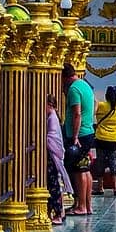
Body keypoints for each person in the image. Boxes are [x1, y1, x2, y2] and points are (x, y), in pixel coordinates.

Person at [62, 63, 96, 216]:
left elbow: (77, 114)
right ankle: (87, 205)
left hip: (80, 135)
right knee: (85, 168)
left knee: (78, 170)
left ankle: (81, 205)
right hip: (88, 132)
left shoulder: (74, 89)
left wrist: (75, 136)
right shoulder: (85, 85)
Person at [45, 93, 71, 224]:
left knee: (54, 184)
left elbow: (52, 137)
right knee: (54, 184)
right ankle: (58, 211)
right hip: (53, 154)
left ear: (49, 105)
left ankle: (59, 212)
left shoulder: (52, 118)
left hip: (53, 154)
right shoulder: (52, 117)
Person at [92, 84, 116, 196]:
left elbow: (94, 113)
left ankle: (100, 187)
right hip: (113, 139)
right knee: (113, 162)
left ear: (106, 95)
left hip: (101, 138)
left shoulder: (101, 105)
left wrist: (95, 100)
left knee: (100, 162)